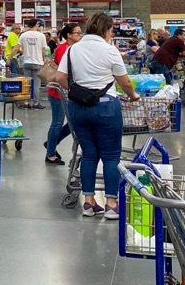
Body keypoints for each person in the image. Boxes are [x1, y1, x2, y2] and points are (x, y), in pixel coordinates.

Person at [54, 12, 139, 220]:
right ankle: (111, 204)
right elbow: (125, 82)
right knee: (110, 156)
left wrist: (78, 93)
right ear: (107, 30)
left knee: (89, 154)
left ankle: (88, 202)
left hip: (78, 109)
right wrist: (133, 96)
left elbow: (60, 77)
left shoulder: (72, 50)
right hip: (106, 107)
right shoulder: (110, 51)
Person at [45, 22, 82, 165]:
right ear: (69, 35)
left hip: (68, 91)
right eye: (77, 33)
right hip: (58, 91)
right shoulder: (62, 49)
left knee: (73, 122)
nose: (80, 35)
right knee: (57, 122)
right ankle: (50, 154)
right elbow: (63, 72)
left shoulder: (74, 48)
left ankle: (51, 143)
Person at [9, 18, 47, 108]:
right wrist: (43, 59)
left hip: (26, 62)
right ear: (37, 25)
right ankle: (36, 103)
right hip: (38, 63)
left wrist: (9, 58)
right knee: (36, 84)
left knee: (26, 83)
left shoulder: (23, 35)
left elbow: (16, 48)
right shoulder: (41, 36)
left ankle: (26, 103)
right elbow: (43, 50)